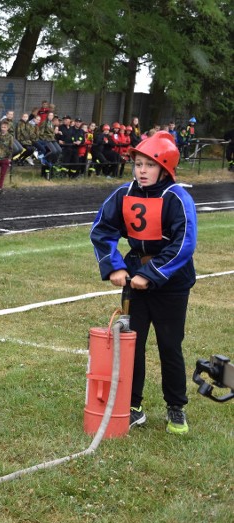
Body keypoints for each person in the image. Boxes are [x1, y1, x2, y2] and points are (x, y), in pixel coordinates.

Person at [90, 131, 197, 435]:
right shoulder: (123, 193)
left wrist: (149, 275)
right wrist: (115, 267)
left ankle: (176, 407)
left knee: (169, 344)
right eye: (138, 164)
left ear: (165, 168)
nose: (142, 171)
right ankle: (132, 405)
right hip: (134, 274)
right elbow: (102, 230)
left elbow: (183, 244)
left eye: (149, 165)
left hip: (171, 283)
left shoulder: (177, 197)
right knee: (130, 344)